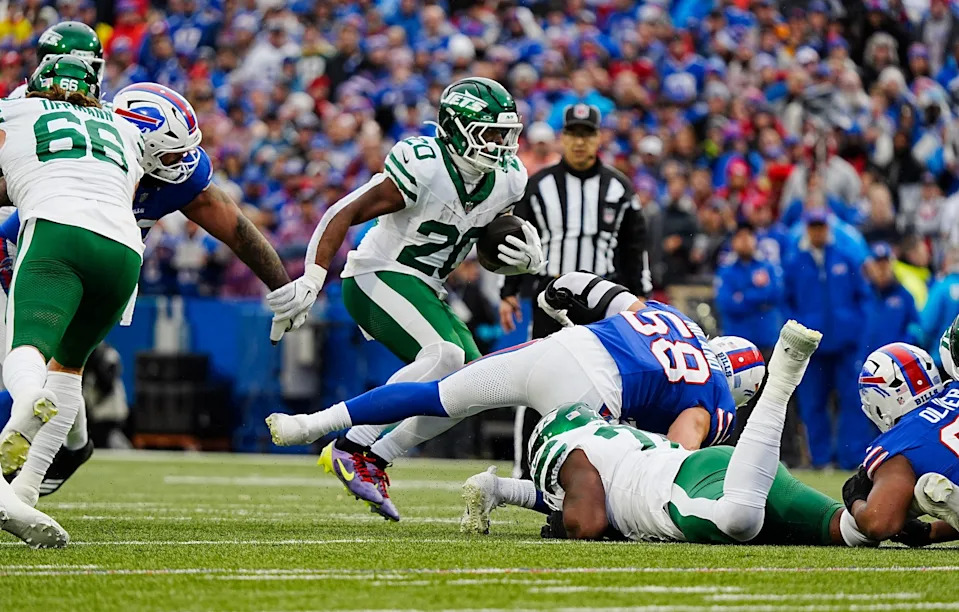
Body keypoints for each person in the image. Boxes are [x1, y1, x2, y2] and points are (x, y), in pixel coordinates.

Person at [267, 270, 766, 517]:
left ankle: (309, 425)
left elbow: (582, 285)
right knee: (612, 492)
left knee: (436, 395)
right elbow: (669, 461)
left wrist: (549, 300)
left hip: (562, 347)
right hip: (589, 395)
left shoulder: (671, 316)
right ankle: (502, 491)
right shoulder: (715, 398)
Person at [264, 77, 540, 521]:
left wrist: (518, 259)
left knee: (472, 386)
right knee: (445, 355)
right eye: (489, 132)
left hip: (428, 288)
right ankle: (342, 438)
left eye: (505, 134)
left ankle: (376, 456)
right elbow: (344, 211)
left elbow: (492, 234)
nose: (500, 144)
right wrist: (312, 280)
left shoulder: (507, 180)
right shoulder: (425, 166)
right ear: (456, 129)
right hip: (376, 274)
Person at [0, 82, 293, 497]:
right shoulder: (88, 161)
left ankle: (55, 459)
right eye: (174, 152)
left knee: (59, 366)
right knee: (46, 365)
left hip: (111, 264)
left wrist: (284, 288)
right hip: (41, 252)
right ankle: (67, 451)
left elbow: (234, 227)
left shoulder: (178, 178)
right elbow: (11, 227)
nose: (184, 161)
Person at [463, 322, 883, 547]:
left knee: (739, 520)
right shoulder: (609, 444)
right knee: (857, 529)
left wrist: (563, 525)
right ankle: (918, 506)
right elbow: (561, 494)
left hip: (680, 490)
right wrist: (502, 490)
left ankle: (782, 382)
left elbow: (587, 522)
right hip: (722, 467)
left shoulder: (572, 455)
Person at [0, 55, 146, 547]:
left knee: (27, 347)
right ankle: (25, 493)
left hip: (57, 230)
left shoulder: (16, 109)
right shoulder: (123, 129)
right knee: (68, 370)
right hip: (125, 250)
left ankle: (27, 399)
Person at [498, 103, 650, 477]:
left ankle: (610, 471)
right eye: (573, 134)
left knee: (608, 384)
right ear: (562, 138)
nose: (580, 142)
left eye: (587, 134)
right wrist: (508, 291)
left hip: (602, 301)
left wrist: (639, 294)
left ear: (598, 139)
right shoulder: (539, 185)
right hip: (550, 296)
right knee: (535, 381)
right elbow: (518, 238)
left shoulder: (619, 187)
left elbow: (634, 246)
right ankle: (524, 471)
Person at [842, 341, 959, 547]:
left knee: (927, 489)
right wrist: (930, 533)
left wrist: (855, 498)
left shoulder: (897, 444)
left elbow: (879, 524)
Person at [783, 208, 872, 469]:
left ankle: (850, 459)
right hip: (812, 347)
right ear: (806, 229)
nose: (818, 231)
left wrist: (855, 328)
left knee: (852, 401)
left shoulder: (846, 257)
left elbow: (864, 297)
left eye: (821, 226)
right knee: (813, 404)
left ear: (828, 228)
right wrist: (798, 331)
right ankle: (821, 460)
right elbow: (785, 301)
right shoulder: (795, 262)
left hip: (845, 344)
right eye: (813, 226)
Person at [862, 242, 920, 356]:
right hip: (864, 359)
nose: (882, 269)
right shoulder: (862, 294)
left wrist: (902, 349)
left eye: (885, 264)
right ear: (870, 267)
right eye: (878, 265)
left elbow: (916, 329)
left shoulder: (904, 296)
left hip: (894, 360)